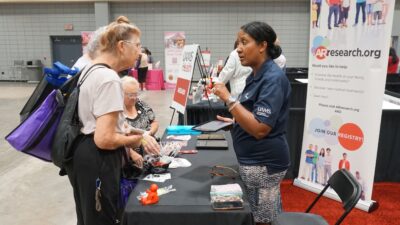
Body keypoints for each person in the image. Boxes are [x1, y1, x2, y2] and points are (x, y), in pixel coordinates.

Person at [65, 16, 160, 225]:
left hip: (83, 154)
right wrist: (135, 142)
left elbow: (104, 121)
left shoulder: (91, 69)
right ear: (121, 46)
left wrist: (137, 132)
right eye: (137, 45)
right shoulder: (109, 79)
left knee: (89, 216)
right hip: (98, 158)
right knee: (102, 217)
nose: (139, 52)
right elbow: (104, 138)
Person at [212, 21, 291, 225]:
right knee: (254, 215)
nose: (238, 48)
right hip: (253, 160)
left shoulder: (272, 79)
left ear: (262, 45)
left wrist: (229, 99)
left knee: (262, 220)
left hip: (264, 163)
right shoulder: (256, 74)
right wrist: (236, 121)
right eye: (238, 42)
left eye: (244, 42)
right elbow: (254, 115)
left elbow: (260, 129)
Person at [122, 76, 159, 167]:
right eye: (131, 95)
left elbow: (154, 122)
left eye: (136, 93)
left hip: (150, 155)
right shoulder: (117, 112)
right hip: (133, 161)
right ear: (121, 93)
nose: (134, 98)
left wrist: (148, 133)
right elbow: (116, 138)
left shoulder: (140, 104)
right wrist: (131, 153)